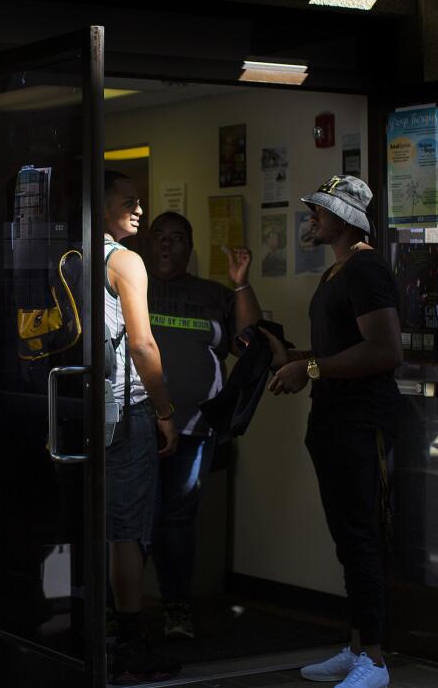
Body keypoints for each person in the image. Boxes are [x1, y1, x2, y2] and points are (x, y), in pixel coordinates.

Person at [262, 175, 404, 688]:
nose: (312, 217)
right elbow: (338, 348)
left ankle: (376, 660)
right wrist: (293, 358)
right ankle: (356, 646)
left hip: (361, 423)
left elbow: (385, 350)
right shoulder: (336, 273)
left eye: (319, 211)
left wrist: (313, 370)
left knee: (363, 537)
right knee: (347, 538)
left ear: (345, 220)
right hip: (331, 422)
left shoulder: (366, 270)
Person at [144, 211, 262, 639]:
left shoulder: (212, 295)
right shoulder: (129, 286)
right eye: (159, 236)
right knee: (139, 518)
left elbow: (250, 342)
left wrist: (240, 282)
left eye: (177, 238)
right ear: (147, 243)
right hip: (137, 426)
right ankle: (123, 615)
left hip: (195, 427)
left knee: (177, 521)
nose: (167, 245)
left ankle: (177, 609)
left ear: (189, 249)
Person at [103, 171, 181, 684]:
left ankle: (103, 633)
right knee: (128, 528)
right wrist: (165, 410)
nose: (139, 208)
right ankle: (129, 643)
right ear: (100, 202)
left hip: (81, 409)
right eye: (128, 201)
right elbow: (142, 344)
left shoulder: (69, 254)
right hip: (126, 406)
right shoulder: (125, 261)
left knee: (107, 525)